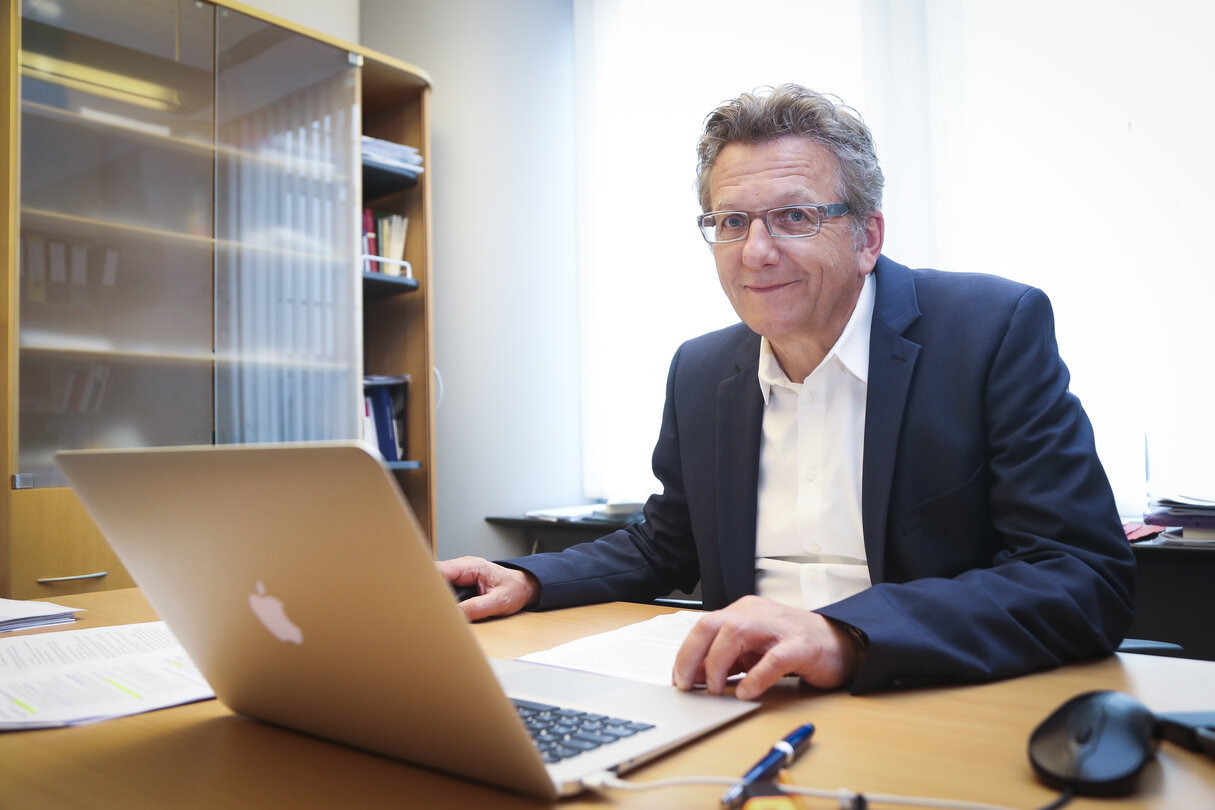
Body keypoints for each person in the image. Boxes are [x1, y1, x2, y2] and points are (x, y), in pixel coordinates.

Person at [439, 84, 1135, 699]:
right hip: (741, 700)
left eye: (795, 218)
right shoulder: (701, 369)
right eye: (731, 221)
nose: (755, 252)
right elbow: (664, 545)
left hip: (920, 693)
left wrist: (845, 635)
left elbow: (1077, 575)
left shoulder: (988, 332)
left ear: (867, 236)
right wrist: (526, 580)